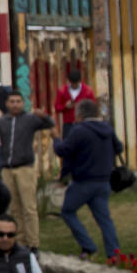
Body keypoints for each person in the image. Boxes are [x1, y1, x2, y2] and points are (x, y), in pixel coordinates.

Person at [0, 90, 54, 252]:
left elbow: (50, 124)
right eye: (12, 101)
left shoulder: (30, 119)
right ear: (6, 104)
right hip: (7, 169)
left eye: (18, 101)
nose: (15, 104)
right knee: (14, 207)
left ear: (23, 103)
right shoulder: (2, 121)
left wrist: (44, 116)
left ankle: (33, 243)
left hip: (25, 168)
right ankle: (19, 240)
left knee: (29, 207)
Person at [51, 99, 122, 259]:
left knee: (67, 211)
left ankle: (89, 247)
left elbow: (63, 150)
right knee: (104, 219)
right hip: (103, 181)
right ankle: (114, 254)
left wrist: (55, 138)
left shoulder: (79, 130)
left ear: (80, 114)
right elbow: (119, 148)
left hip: (84, 181)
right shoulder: (108, 128)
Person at [53, 68, 95, 140]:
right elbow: (57, 107)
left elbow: (93, 107)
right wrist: (65, 106)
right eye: (72, 83)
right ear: (69, 81)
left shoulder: (87, 91)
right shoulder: (62, 91)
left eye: (76, 83)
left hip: (84, 123)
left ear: (80, 81)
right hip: (68, 124)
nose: (74, 85)